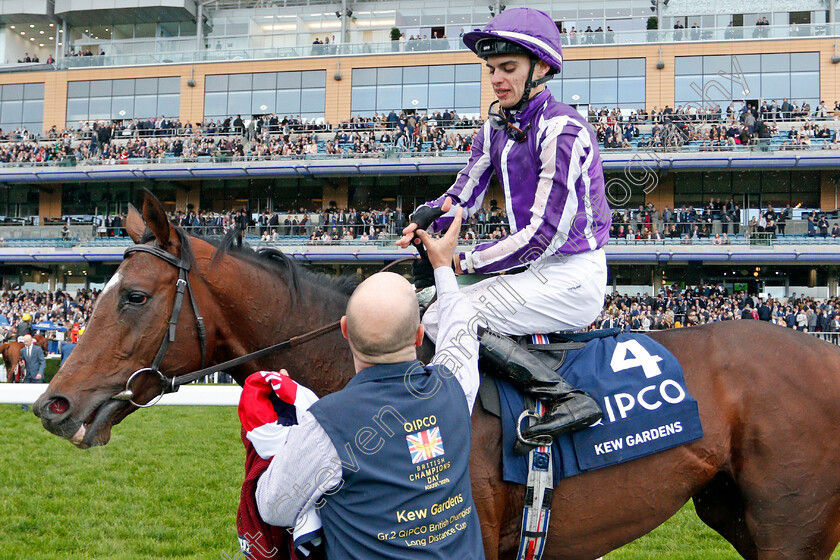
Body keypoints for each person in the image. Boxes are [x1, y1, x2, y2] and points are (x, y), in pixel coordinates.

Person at [396, 7, 609, 440]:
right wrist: (430, 213)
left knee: (446, 316)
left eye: (508, 68)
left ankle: (567, 397)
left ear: (543, 68)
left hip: (574, 274)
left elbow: (544, 236)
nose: (496, 78)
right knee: (424, 301)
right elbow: (465, 191)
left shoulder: (563, 131)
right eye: (492, 68)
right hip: (534, 271)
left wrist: (462, 262)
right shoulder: (497, 126)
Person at [254, 208, 484, 559]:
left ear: (345, 330)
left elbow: (274, 507)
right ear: (420, 334)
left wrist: (280, 426)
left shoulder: (326, 423)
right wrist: (442, 266)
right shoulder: (455, 386)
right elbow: (460, 327)